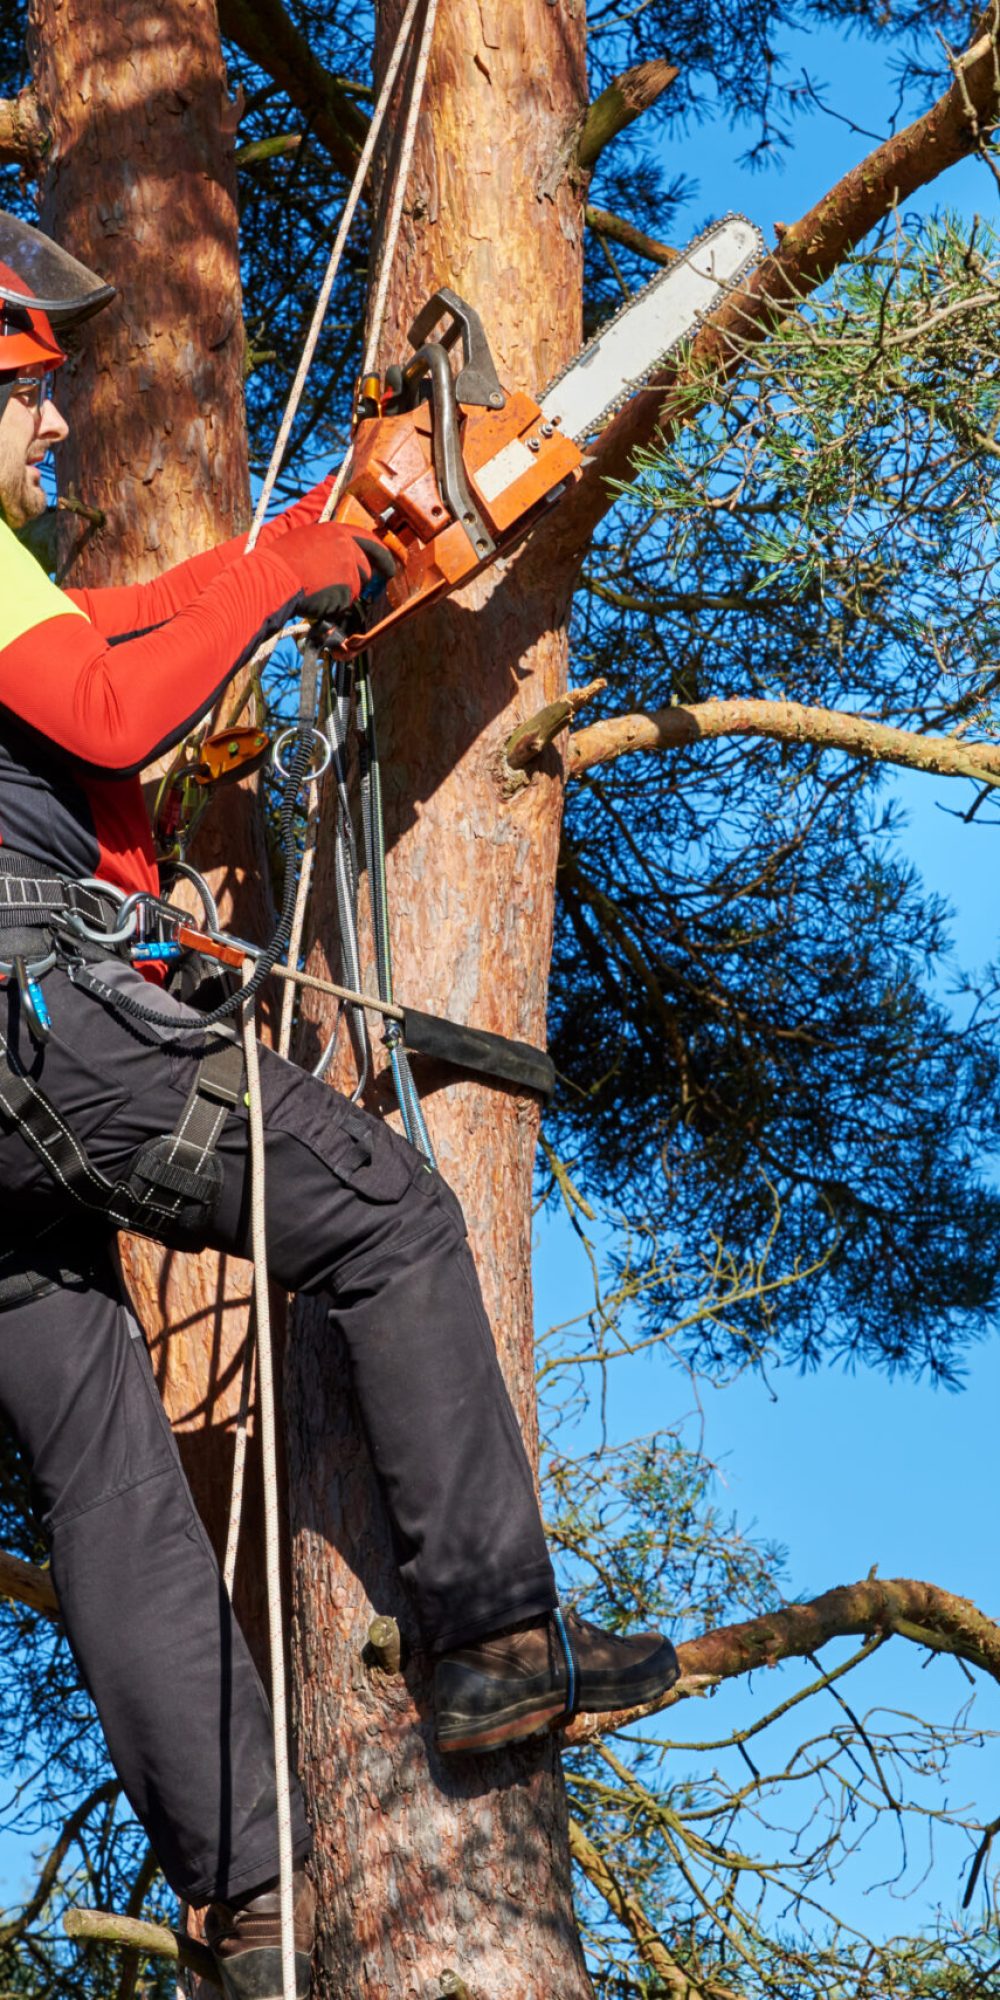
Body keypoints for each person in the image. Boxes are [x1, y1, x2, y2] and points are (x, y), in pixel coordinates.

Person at [0, 211, 679, 2000]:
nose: (55, 428)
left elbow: (94, 659)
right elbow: (109, 692)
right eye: (28, 393)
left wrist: (299, 546)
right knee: (380, 1209)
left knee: (98, 1469)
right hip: (26, 1027)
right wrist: (289, 578)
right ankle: (488, 1640)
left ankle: (249, 1903)